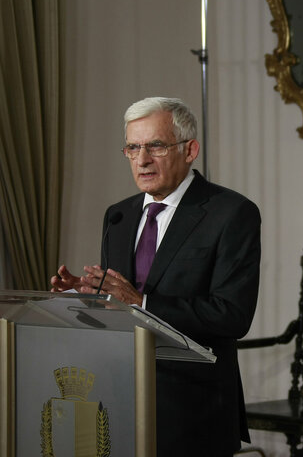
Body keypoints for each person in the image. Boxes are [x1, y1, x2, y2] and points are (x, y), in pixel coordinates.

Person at [51, 97, 261, 456]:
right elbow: (119, 305)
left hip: (195, 409)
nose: (142, 159)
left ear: (190, 149)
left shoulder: (231, 213)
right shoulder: (118, 216)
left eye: (156, 146)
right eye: (133, 148)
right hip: (121, 401)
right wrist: (86, 295)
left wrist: (142, 303)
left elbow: (232, 315)